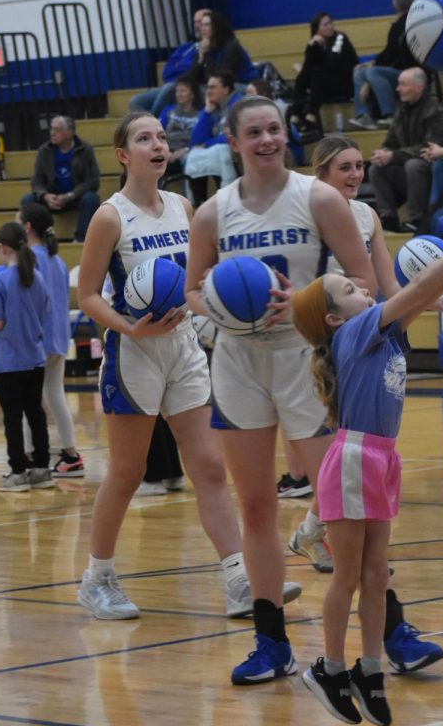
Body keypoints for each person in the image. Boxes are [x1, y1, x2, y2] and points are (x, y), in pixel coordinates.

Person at [184, 96, 377, 685]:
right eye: (254, 131)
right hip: (239, 365)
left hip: (305, 359)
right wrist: (221, 312)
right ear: (234, 141)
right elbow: (193, 290)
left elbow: (364, 282)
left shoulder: (318, 198)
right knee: (258, 506)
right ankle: (271, 642)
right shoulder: (213, 213)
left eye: (275, 128)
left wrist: (304, 300)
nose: (267, 139)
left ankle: (389, 624)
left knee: (341, 505)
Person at [75, 111, 290, 621]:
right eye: (144, 138)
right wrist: (129, 328)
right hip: (136, 352)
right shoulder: (110, 216)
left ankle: (240, 578)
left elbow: (200, 280)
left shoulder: (182, 207)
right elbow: (86, 294)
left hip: (186, 347)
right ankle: (97, 577)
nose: (158, 144)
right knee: (128, 472)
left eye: (161, 137)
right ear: (123, 155)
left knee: (210, 468)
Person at [291, 238, 443, 724]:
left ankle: (369, 669)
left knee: (376, 576)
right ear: (334, 318)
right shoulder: (356, 331)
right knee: (347, 576)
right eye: (349, 288)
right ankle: (330, 668)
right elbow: (415, 291)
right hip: (353, 457)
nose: (363, 287)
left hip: (381, 457)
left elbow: (416, 300)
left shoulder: (378, 335)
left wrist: (439, 296)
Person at [299, 133, 443, 672]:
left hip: (369, 334)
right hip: (328, 344)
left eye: (359, 166)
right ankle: (383, 638)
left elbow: (389, 286)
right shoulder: (304, 210)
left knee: (357, 465)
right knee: (346, 460)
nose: (354, 175)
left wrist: (432, 299)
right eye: (343, 167)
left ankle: (387, 633)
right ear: (318, 173)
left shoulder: (364, 217)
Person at [0, 221, 51, 492]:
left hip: (9, 361)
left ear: (2, 248)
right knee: (36, 414)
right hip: (35, 357)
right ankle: (42, 468)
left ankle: (18, 471)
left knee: (13, 418)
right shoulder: (37, 277)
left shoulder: (0, 282)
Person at [20, 202, 84, 477]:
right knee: (55, 396)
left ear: (27, 227)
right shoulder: (56, 259)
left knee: (28, 400)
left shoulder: (29, 258)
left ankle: (29, 457)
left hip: (37, 338)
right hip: (58, 336)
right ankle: (71, 455)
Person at [368, 67, 443, 233]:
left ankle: (416, 219)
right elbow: (391, 142)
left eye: (403, 85)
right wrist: (382, 153)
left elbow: (429, 147)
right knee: (376, 167)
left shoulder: (436, 110)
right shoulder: (402, 110)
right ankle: (388, 218)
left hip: (432, 167)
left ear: (419, 88)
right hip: (405, 167)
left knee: (414, 165)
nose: (398, 89)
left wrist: (394, 155)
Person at [21, 115, 100, 242]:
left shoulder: (85, 150)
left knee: (91, 198)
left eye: (57, 130)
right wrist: (45, 196)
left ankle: (80, 239)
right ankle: (39, 238)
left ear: (70, 132)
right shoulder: (44, 151)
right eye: (51, 129)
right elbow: (36, 181)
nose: (52, 133)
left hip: (75, 197)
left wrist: (70, 195)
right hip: (51, 198)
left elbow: (93, 181)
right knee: (27, 200)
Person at [350, 0, 417, 130]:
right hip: (395, 68)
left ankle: (390, 115)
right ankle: (363, 115)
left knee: (372, 73)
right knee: (360, 70)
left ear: (395, 4)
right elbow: (388, 52)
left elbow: (395, 57)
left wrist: (369, 78)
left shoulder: (406, 25)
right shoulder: (398, 25)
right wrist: (373, 62)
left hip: (407, 71)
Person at [129, 8, 208, 116]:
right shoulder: (186, 47)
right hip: (173, 84)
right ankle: (153, 125)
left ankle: (154, 123)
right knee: (136, 101)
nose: (197, 25)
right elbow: (166, 72)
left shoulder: (210, 47)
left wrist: (180, 72)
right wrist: (183, 72)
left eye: (200, 22)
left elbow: (195, 73)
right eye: (195, 22)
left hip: (194, 85)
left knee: (170, 86)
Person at [290, 12, 358, 135]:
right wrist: (311, 46)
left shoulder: (340, 38)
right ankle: (296, 113)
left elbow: (331, 66)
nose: (330, 27)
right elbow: (308, 67)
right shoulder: (316, 44)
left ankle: (310, 113)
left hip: (345, 82)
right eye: (325, 25)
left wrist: (306, 69)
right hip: (325, 85)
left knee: (316, 77)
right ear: (317, 29)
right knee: (302, 78)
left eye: (330, 23)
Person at [184, 72, 240, 206]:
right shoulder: (215, 108)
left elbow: (233, 136)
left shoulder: (239, 105)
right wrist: (207, 112)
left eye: (213, 87)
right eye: (207, 87)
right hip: (223, 155)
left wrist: (207, 143)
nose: (208, 91)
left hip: (239, 155)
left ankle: (227, 202)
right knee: (193, 155)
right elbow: (195, 140)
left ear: (226, 89)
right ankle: (198, 204)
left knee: (221, 151)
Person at [193, 9, 258, 90]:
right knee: (189, 91)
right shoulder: (204, 46)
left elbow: (219, 77)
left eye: (207, 25)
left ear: (216, 27)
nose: (202, 28)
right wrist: (200, 56)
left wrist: (206, 54)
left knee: (212, 91)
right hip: (220, 85)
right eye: (202, 25)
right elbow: (193, 77)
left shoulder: (232, 46)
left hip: (243, 84)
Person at [158, 73, 203, 180]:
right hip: (166, 151)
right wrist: (165, 151)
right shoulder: (168, 110)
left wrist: (184, 151)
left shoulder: (202, 115)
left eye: (182, 91)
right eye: (177, 91)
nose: (178, 94)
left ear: (192, 94)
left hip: (188, 152)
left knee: (190, 159)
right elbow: (158, 133)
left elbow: (202, 140)